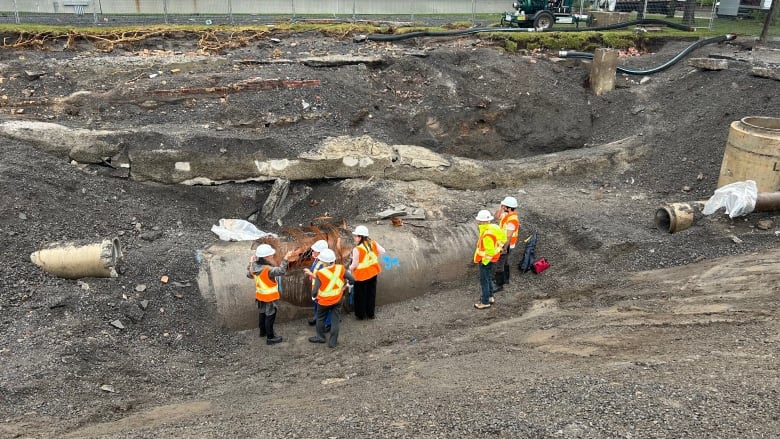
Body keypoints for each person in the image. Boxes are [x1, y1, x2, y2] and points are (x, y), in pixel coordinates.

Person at [247, 243, 294, 345]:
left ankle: (262, 332)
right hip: (270, 298)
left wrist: (250, 262)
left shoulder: (254, 266)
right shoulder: (267, 269)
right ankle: (270, 337)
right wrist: (286, 258)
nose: (272, 256)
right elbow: (281, 271)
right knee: (270, 316)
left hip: (260, 296)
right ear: (265, 257)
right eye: (271, 255)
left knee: (262, 313)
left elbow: (249, 275)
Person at [308, 248, 355, 348]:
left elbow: (314, 291)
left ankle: (321, 338)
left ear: (323, 262)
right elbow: (352, 279)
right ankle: (333, 342)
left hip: (323, 302)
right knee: (335, 320)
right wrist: (347, 286)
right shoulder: (341, 268)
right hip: (337, 300)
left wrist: (313, 297)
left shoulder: (320, 273)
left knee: (320, 319)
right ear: (333, 260)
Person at [348, 225, 385, 320]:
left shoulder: (357, 249)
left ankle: (360, 315)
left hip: (361, 276)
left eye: (356, 236)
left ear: (360, 237)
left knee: (360, 295)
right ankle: (370, 313)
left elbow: (355, 264)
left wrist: (349, 269)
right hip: (373, 272)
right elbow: (382, 251)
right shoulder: (373, 243)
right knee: (371, 293)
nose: (355, 238)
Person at [473, 210, 506, 309]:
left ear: (483, 222)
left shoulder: (486, 235)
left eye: (479, 220)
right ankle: (490, 296)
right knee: (488, 278)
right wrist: (499, 248)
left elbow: (490, 251)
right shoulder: (494, 227)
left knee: (484, 281)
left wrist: (483, 257)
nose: (478, 222)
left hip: (485, 261)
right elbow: (502, 239)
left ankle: (485, 301)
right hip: (490, 260)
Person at [303, 239, 332, 332]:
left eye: (315, 251)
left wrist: (310, 274)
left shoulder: (325, 264)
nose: (313, 252)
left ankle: (328, 323)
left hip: (322, 290)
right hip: (316, 289)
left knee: (325, 307)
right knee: (316, 305)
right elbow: (314, 270)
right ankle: (317, 317)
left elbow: (323, 277)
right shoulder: (317, 261)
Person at [493, 196, 520, 293]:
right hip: (505, 244)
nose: (503, 207)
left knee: (500, 263)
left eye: (504, 206)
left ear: (508, 207)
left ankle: (499, 284)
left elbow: (508, 236)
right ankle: (506, 279)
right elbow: (496, 216)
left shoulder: (512, 220)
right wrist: (500, 207)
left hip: (507, 245)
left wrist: (504, 248)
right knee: (505, 261)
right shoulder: (506, 215)